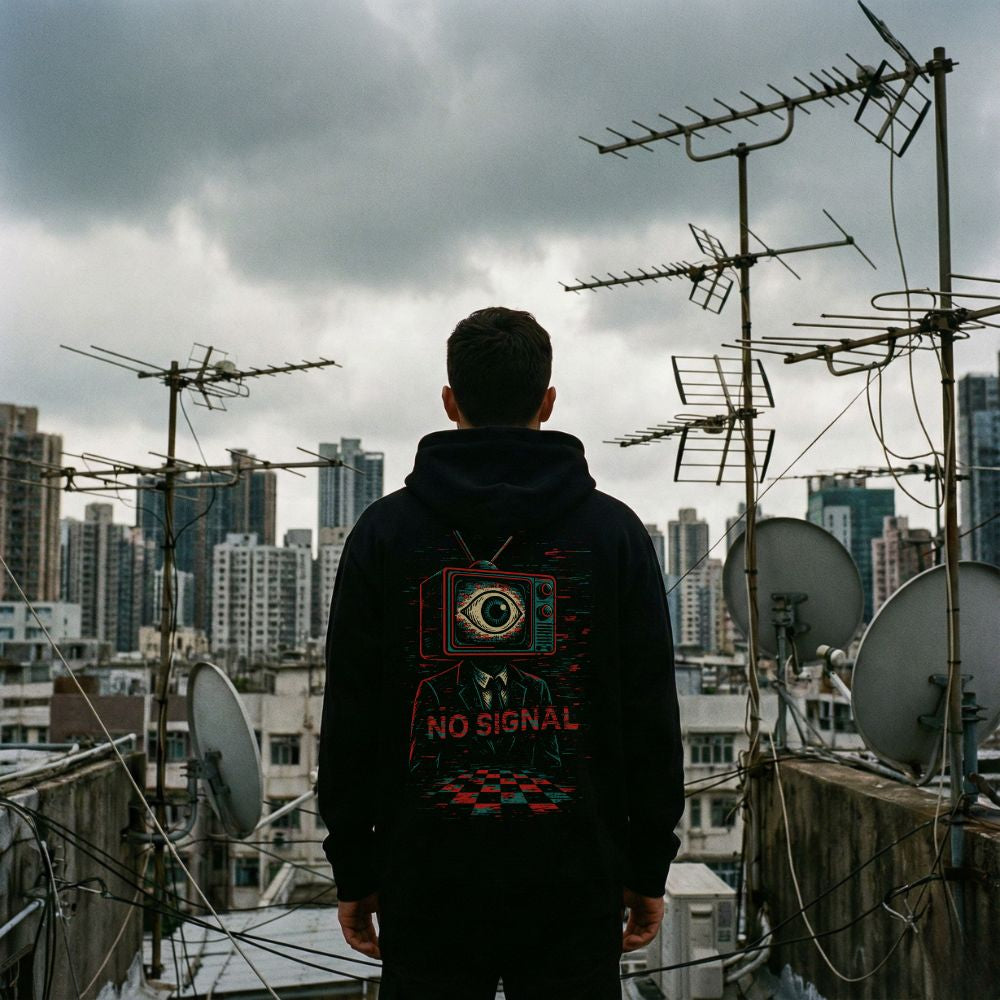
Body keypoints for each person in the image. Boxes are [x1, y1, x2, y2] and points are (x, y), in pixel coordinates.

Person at [318, 306, 684, 1000]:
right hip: (575, 878)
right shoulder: (615, 536)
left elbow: (350, 722)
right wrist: (647, 868)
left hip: (425, 879)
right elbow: (651, 720)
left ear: (449, 402)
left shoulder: (383, 535)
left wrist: (355, 871)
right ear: (548, 402)